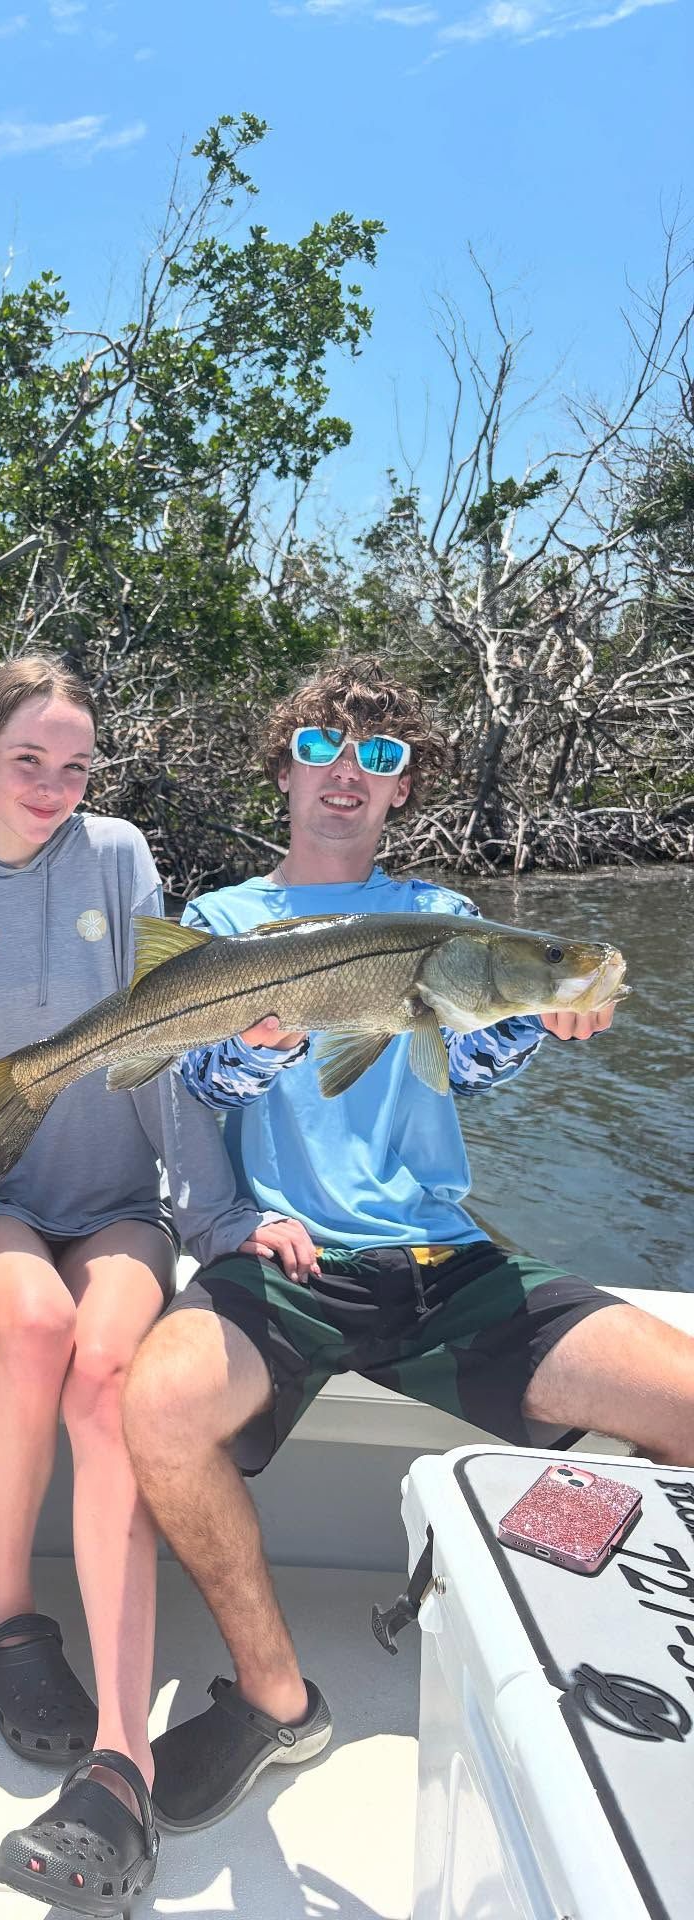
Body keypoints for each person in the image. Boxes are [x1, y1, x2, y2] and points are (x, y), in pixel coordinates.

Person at [122, 656, 694, 1834]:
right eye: (323, 748)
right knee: (160, 1408)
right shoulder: (219, 924)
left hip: (445, 1260)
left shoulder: (445, 919)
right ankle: (277, 1700)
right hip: (283, 1260)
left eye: (378, 756)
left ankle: (612, 1646)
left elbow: (467, 1065)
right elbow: (201, 1083)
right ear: (285, 769)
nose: (347, 772)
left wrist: (540, 1011)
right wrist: (263, 1043)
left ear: (401, 786)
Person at [0, 655, 257, 1911]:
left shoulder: (119, 858)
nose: (53, 786)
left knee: (106, 1376)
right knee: (34, 1327)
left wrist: (213, 1214)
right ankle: (8, 1621)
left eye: (76, 766)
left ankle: (121, 1747)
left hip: (117, 1204)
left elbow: (165, 1040)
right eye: (28, 760)